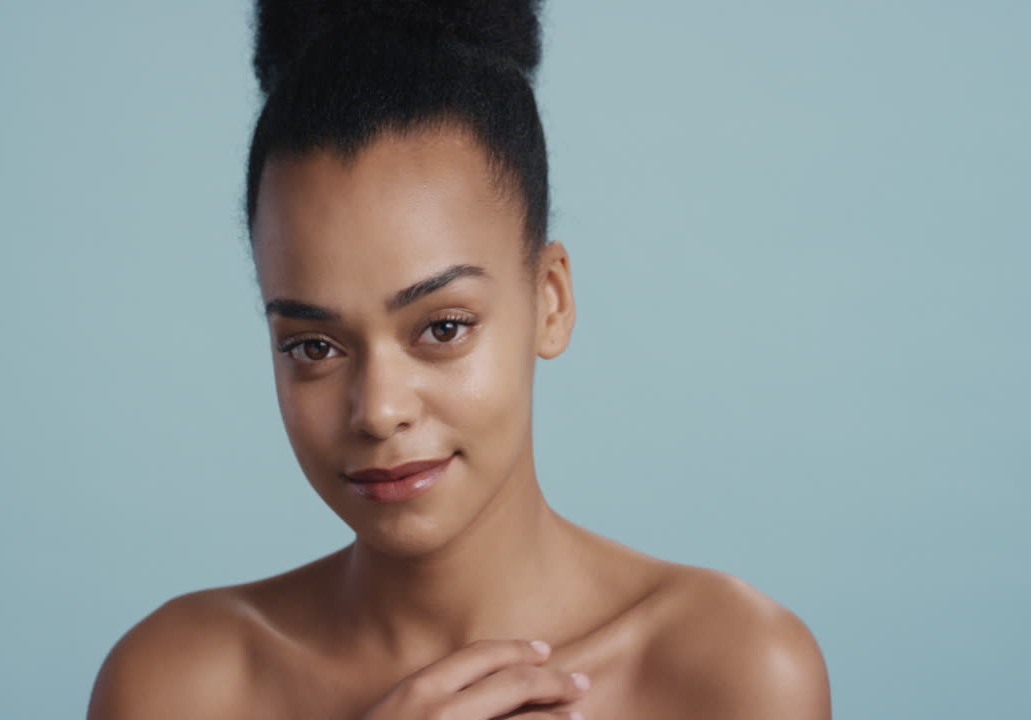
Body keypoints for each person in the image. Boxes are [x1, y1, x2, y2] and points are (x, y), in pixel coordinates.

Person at [88, 1, 831, 718]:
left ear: (550, 299)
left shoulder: (731, 672)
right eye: (314, 347)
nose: (379, 410)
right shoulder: (178, 686)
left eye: (441, 328)